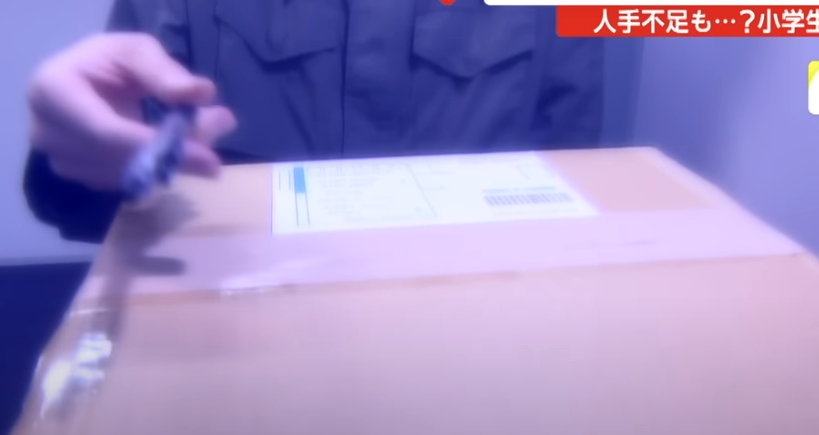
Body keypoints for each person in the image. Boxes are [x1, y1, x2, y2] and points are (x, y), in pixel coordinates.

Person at [25, 0, 604, 243]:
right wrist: (75, 166)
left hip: (474, 349)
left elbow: (574, 186)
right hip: (239, 349)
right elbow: (110, 194)